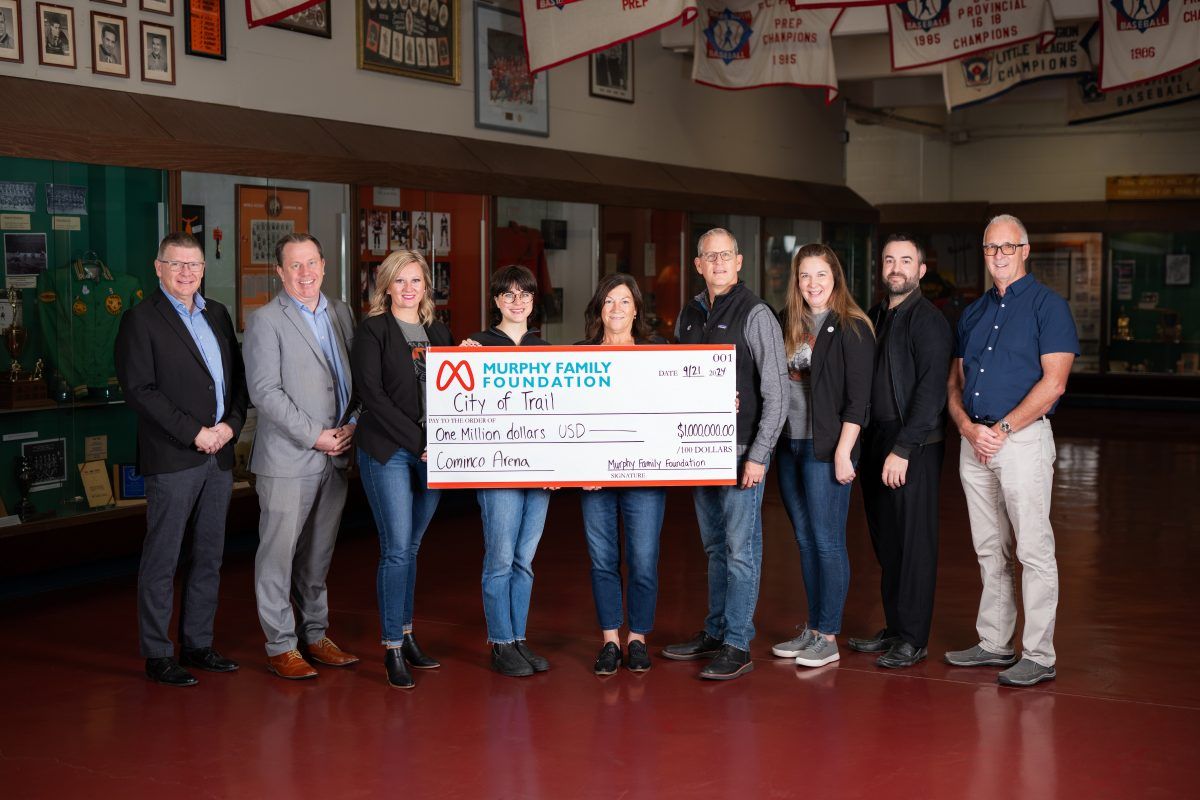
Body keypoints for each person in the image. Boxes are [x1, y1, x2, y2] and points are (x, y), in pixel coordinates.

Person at [944, 214, 1078, 687]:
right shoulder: (974, 312)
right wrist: (965, 426)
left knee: (1033, 550)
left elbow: (1055, 381)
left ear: (1025, 250)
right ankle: (995, 642)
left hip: (1020, 442)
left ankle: (1039, 654)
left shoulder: (1049, 307)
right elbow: (956, 380)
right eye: (990, 249)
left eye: (1007, 247)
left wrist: (1001, 428)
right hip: (974, 442)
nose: (998, 256)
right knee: (989, 548)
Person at [115, 232, 248, 687]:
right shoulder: (141, 320)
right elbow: (140, 390)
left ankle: (197, 643)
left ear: (203, 270)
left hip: (219, 454)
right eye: (176, 265)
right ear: (158, 268)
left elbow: (235, 383)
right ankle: (157, 653)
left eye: (193, 265)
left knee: (209, 555)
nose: (186, 273)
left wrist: (229, 427)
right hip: (174, 455)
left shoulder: (218, 314)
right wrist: (195, 433)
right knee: (164, 557)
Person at [662, 228, 787, 680]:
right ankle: (714, 631)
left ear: (738, 262)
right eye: (708, 256)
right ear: (698, 265)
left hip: (741, 453)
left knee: (741, 550)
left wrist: (758, 456)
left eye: (725, 255)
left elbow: (777, 394)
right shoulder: (689, 314)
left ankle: (738, 642)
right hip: (698, 453)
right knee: (715, 548)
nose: (717, 263)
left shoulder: (756, 314)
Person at [244, 233, 360, 680]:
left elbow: (355, 380)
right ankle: (281, 644)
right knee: (278, 554)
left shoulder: (342, 313)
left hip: (338, 452)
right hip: (290, 457)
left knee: (317, 556)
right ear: (279, 272)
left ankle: (316, 634)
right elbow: (265, 393)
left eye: (311, 263)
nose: (305, 273)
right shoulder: (266, 321)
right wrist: (317, 436)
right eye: (295, 266)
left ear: (325, 265)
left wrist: (352, 426)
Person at [847, 235, 953, 668]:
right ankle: (894, 629)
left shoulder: (929, 321)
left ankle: (913, 638)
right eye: (890, 260)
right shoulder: (875, 315)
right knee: (887, 541)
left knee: (915, 543)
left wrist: (904, 448)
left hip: (914, 445)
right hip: (877, 441)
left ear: (921, 270)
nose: (896, 267)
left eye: (905, 260)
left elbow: (931, 392)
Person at [350, 249, 452, 690]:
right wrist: (419, 442)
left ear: (426, 286)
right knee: (395, 548)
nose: (409, 288)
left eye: (416, 280)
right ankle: (392, 646)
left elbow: (459, 390)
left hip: (434, 454)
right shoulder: (372, 331)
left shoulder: (440, 331)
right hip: (389, 450)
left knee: (412, 547)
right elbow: (372, 395)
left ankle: (408, 634)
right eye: (400, 280)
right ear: (386, 286)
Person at [769, 243, 874, 669]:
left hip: (827, 447)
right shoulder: (787, 322)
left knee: (828, 542)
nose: (813, 284)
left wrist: (845, 452)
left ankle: (828, 635)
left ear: (835, 279)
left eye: (821, 275)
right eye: (805, 276)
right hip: (790, 445)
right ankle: (813, 628)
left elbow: (859, 400)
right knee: (806, 539)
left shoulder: (852, 326)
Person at [461, 265, 553, 678]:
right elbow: (455, 398)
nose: (517, 302)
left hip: (540, 472)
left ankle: (518, 638)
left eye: (525, 294)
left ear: (534, 300)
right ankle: (499, 641)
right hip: (496, 471)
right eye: (508, 294)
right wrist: (463, 361)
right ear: (496, 300)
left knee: (525, 560)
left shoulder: (546, 349)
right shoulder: (477, 345)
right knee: (499, 558)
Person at [576, 274, 668, 675]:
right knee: (602, 560)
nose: (616, 308)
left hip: (645, 477)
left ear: (636, 309)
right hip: (594, 479)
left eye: (625, 301)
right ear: (600, 307)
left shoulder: (659, 352)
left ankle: (638, 639)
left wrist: (720, 399)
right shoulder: (577, 354)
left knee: (644, 560)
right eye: (609, 300)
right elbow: (564, 419)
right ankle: (611, 641)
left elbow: (682, 399)